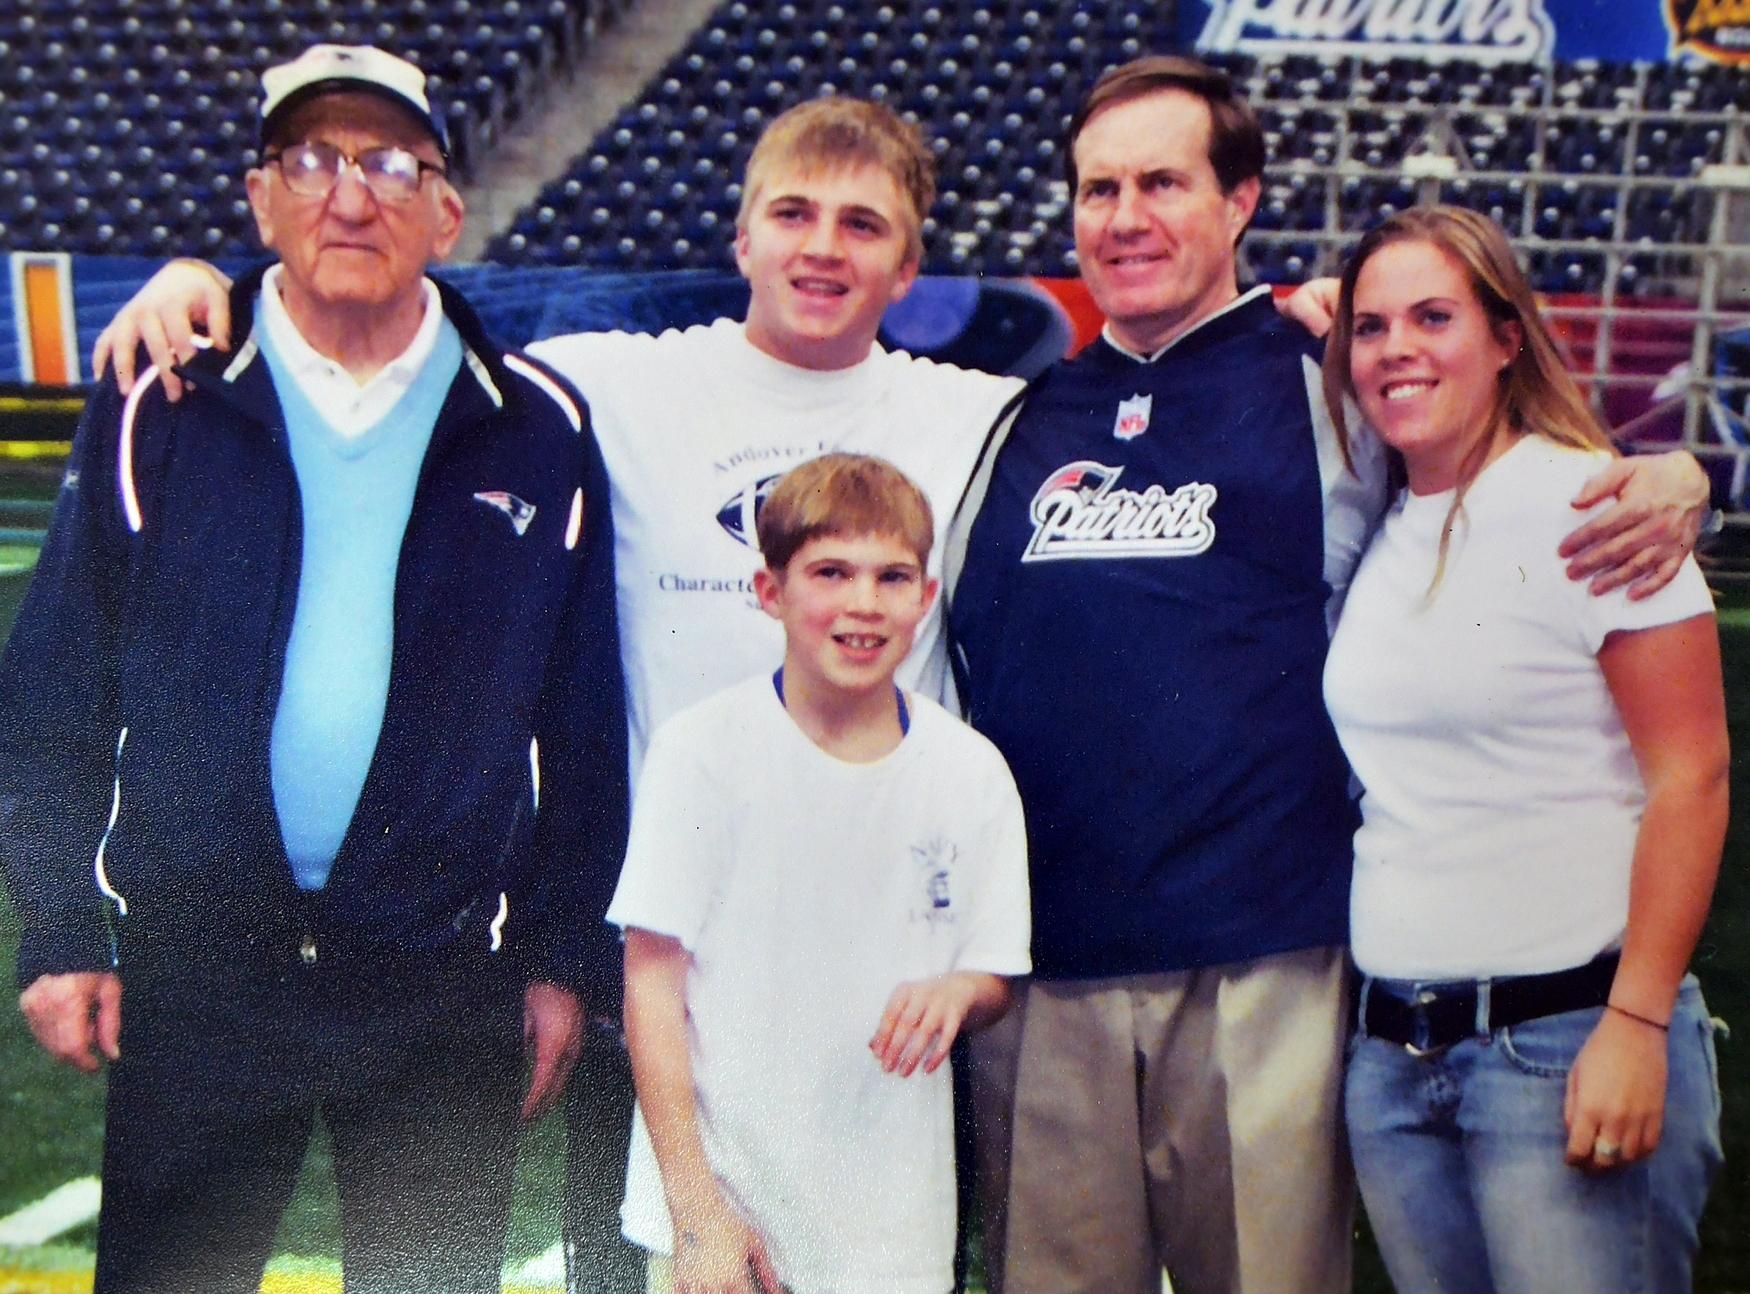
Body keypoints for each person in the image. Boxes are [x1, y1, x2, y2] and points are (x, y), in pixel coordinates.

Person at [88, 83, 1699, 1292]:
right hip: (708, 937)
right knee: (660, 1255)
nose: (821, 248)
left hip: (993, 958)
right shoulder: (637, 388)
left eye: (861, 225)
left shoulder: (1017, 404)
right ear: (738, 232)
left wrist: (1659, 473)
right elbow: (388, 308)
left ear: (912, 261)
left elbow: (1451, 429)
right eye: (793, 214)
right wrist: (209, 277)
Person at [944, 56, 1712, 1294]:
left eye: (1161, 182)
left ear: (1240, 198)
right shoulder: (1012, 417)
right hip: (1047, 972)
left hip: (1269, 968)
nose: (1124, 217)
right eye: (1097, 190)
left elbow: (1498, 454)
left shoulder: (1332, 381)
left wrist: (1674, 478)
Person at [0, 44, 626, 1294]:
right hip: (199, 966)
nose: (352, 195)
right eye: (315, 159)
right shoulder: (161, 398)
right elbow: (54, 691)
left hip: (441, 978)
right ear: (262, 197)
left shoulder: (539, 425)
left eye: (393, 162)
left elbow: (583, 718)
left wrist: (561, 957)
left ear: (449, 210)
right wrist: (63, 925)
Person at [1321, 204, 1725, 1294]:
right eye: (1369, 326)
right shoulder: (1382, 520)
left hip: (1564, 1042)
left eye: (1433, 316)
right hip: (1393, 1060)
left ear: (1507, 338)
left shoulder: (1596, 507)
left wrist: (1636, 1023)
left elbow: (1692, 778)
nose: (1396, 347)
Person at [608, 453, 1030, 1294]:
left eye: (892, 576)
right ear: (771, 592)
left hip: (891, 1225)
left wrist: (958, 993)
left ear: (925, 597)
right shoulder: (700, 753)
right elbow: (651, 989)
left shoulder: (971, 771)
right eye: (830, 573)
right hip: (727, 1213)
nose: (863, 604)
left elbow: (993, 975)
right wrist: (697, 1216)